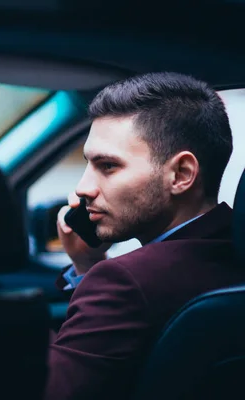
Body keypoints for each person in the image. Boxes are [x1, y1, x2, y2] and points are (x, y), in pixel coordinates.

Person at [46, 72, 245, 400]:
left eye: (107, 166)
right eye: (87, 164)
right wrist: (87, 263)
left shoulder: (124, 283)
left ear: (181, 175)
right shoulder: (229, 253)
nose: (83, 188)